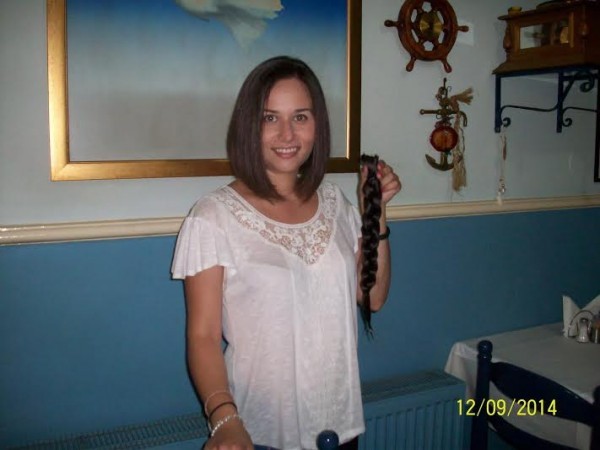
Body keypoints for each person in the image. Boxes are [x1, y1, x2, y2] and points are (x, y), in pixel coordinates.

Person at [171, 56, 401, 450]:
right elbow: (203, 335)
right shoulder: (212, 216)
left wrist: (375, 214)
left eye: (300, 117)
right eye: (270, 118)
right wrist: (224, 419)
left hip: (340, 425)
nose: (287, 134)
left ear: (317, 124)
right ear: (249, 125)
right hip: (258, 432)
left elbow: (373, 298)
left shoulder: (335, 202)